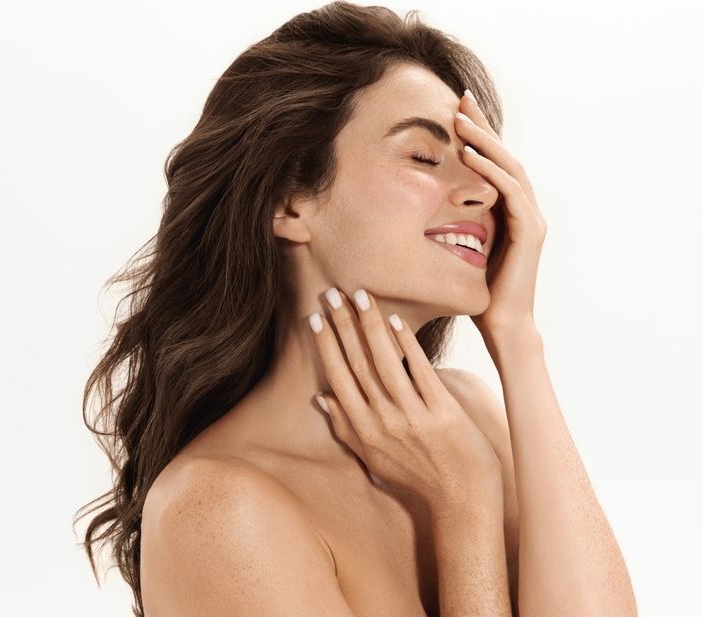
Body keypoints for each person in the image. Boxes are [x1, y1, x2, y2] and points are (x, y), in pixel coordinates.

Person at [75, 3, 637, 616]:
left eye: (479, 161)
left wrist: (517, 339)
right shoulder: (217, 509)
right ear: (288, 202)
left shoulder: (470, 417)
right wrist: (463, 508)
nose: (484, 191)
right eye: (424, 157)